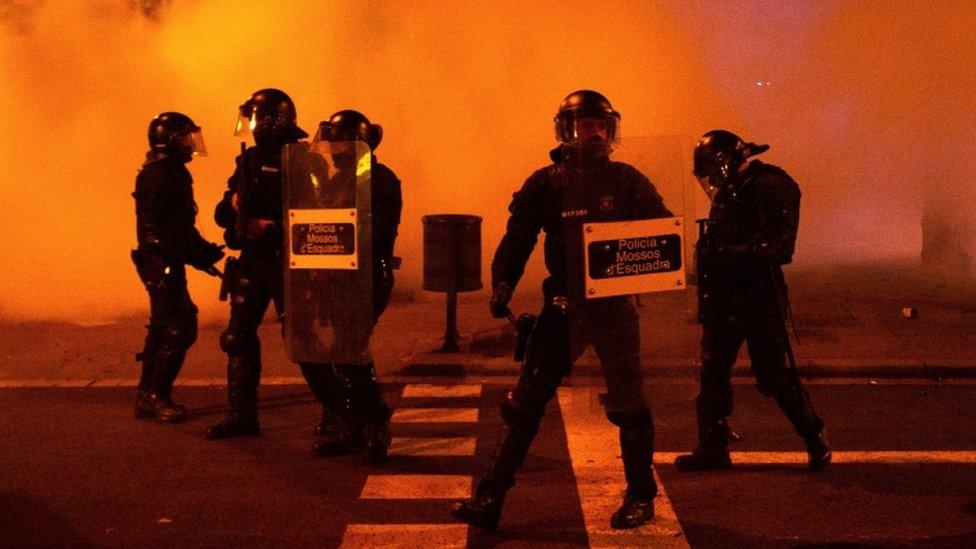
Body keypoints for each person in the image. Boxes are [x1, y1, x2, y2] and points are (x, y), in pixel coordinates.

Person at [451, 90, 673, 532]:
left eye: (599, 126)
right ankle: (490, 498)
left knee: (630, 405)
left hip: (613, 308)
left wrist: (670, 262)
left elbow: (663, 232)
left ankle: (641, 497)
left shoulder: (628, 179)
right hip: (563, 307)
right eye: (583, 125)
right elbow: (518, 238)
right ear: (564, 130)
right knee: (524, 403)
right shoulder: (546, 183)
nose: (592, 133)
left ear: (611, 130)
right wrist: (502, 283)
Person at [675, 129, 831, 472]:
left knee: (772, 375)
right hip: (723, 297)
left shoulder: (770, 186)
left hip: (758, 295)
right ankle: (712, 447)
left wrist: (724, 254)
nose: (711, 180)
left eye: (713, 171)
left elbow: (777, 247)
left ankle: (813, 435)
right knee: (712, 371)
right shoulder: (732, 190)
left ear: (727, 162)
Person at [206, 88, 311, 439]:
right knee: (236, 336)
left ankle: (339, 415)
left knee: (302, 339)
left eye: (254, 118)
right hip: (253, 260)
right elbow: (222, 212)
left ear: (272, 120)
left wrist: (273, 227)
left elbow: (321, 218)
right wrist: (235, 205)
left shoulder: (302, 158)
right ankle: (241, 415)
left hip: (289, 261)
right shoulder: (248, 160)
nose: (249, 125)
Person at [301, 109, 403, 461]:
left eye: (338, 142)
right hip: (334, 274)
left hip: (366, 275)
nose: (332, 149)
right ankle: (357, 423)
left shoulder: (380, 179)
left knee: (348, 346)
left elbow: (368, 231)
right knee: (342, 351)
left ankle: (373, 421)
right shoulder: (336, 179)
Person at [132, 112, 224, 423]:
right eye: (186, 138)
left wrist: (200, 254)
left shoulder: (159, 171)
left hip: (159, 261)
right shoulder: (166, 174)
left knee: (162, 325)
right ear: (171, 140)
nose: (191, 144)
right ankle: (157, 395)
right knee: (180, 327)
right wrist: (201, 254)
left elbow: (176, 227)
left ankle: (147, 394)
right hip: (163, 262)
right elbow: (174, 230)